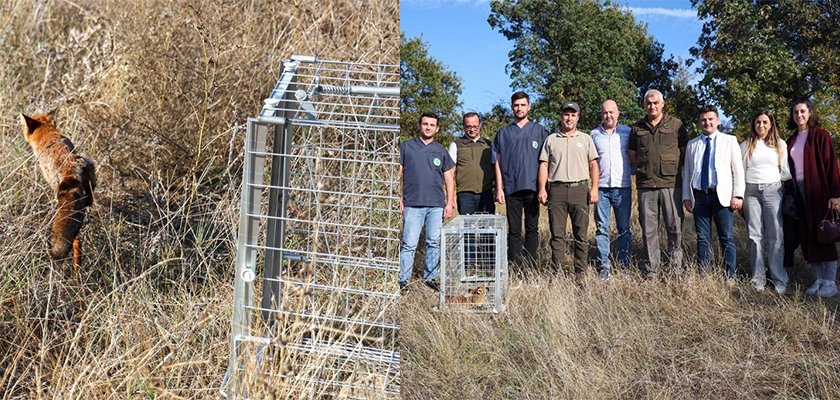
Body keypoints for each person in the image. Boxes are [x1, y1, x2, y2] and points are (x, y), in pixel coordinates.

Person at [784, 98, 840, 297]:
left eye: (802, 111)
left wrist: (835, 194)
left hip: (818, 190)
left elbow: (831, 164)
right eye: (795, 112)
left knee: (824, 234)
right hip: (799, 193)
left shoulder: (820, 135)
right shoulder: (790, 140)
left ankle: (830, 282)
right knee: (809, 236)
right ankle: (818, 280)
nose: (799, 115)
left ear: (810, 113)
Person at [628, 89, 688, 277]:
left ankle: (675, 268)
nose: (652, 106)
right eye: (648, 103)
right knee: (649, 230)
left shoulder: (676, 125)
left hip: (671, 184)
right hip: (646, 186)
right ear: (644, 105)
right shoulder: (637, 128)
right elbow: (632, 154)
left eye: (655, 103)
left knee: (674, 228)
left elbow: (684, 151)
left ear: (663, 104)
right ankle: (652, 269)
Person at [537, 102, 599, 278]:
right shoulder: (551, 139)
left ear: (578, 117)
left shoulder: (585, 139)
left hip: (579, 189)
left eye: (573, 114)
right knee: (557, 236)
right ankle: (557, 274)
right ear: (561, 116)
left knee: (581, 234)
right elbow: (544, 165)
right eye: (566, 114)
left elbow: (593, 165)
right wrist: (542, 188)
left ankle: (580, 273)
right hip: (556, 191)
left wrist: (594, 188)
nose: (569, 118)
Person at [682, 105, 745, 280]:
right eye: (703, 119)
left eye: (710, 119)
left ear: (717, 120)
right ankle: (705, 276)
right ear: (699, 122)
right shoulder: (692, 144)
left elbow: (737, 170)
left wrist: (738, 195)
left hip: (722, 196)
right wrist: (687, 196)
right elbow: (687, 171)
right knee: (702, 239)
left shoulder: (730, 140)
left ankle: (730, 276)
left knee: (726, 237)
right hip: (700, 196)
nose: (707, 122)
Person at [399, 112, 455, 292]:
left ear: (437, 129)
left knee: (433, 242)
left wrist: (449, 203)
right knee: (409, 244)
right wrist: (398, 198)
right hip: (412, 204)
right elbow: (397, 174)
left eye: (432, 125)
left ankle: (430, 278)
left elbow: (449, 179)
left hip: (436, 205)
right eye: (425, 124)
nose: (428, 127)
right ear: (419, 126)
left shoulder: (441, 151)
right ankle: (403, 280)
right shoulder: (406, 147)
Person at [493, 92, 549, 269]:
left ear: (529, 107)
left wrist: (544, 188)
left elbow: (546, 162)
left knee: (532, 229)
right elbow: (497, 162)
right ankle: (515, 268)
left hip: (533, 187)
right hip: (511, 187)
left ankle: (531, 268)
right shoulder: (503, 133)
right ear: (512, 107)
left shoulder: (539, 131)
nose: (519, 108)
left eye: (523, 105)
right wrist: (499, 188)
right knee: (514, 231)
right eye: (516, 105)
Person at [740, 110, 791, 293]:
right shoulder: (746, 145)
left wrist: (778, 183)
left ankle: (779, 279)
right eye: (758, 122)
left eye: (765, 122)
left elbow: (785, 171)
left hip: (773, 189)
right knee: (755, 236)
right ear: (754, 125)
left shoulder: (780, 144)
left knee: (776, 235)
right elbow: (740, 170)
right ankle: (758, 279)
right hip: (751, 190)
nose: (761, 126)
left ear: (771, 125)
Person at [589, 100, 633, 278]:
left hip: (623, 187)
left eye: (611, 112)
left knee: (624, 229)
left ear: (618, 113)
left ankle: (624, 266)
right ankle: (604, 266)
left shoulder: (628, 132)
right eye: (605, 112)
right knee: (601, 229)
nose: (608, 115)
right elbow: (590, 162)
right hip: (601, 189)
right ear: (601, 114)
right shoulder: (593, 134)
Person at [448, 112, 495, 214]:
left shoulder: (489, 145)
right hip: (465, 194)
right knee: (467, 228)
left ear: (480, 125)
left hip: (486, 193)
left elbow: (495, 167)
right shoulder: (456, 145)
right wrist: (451, 196)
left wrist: (497, 188)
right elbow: (450, 172)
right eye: (468, 126)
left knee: (488, 228)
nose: (472, 129)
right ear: (463, 127)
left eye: (475, 126)